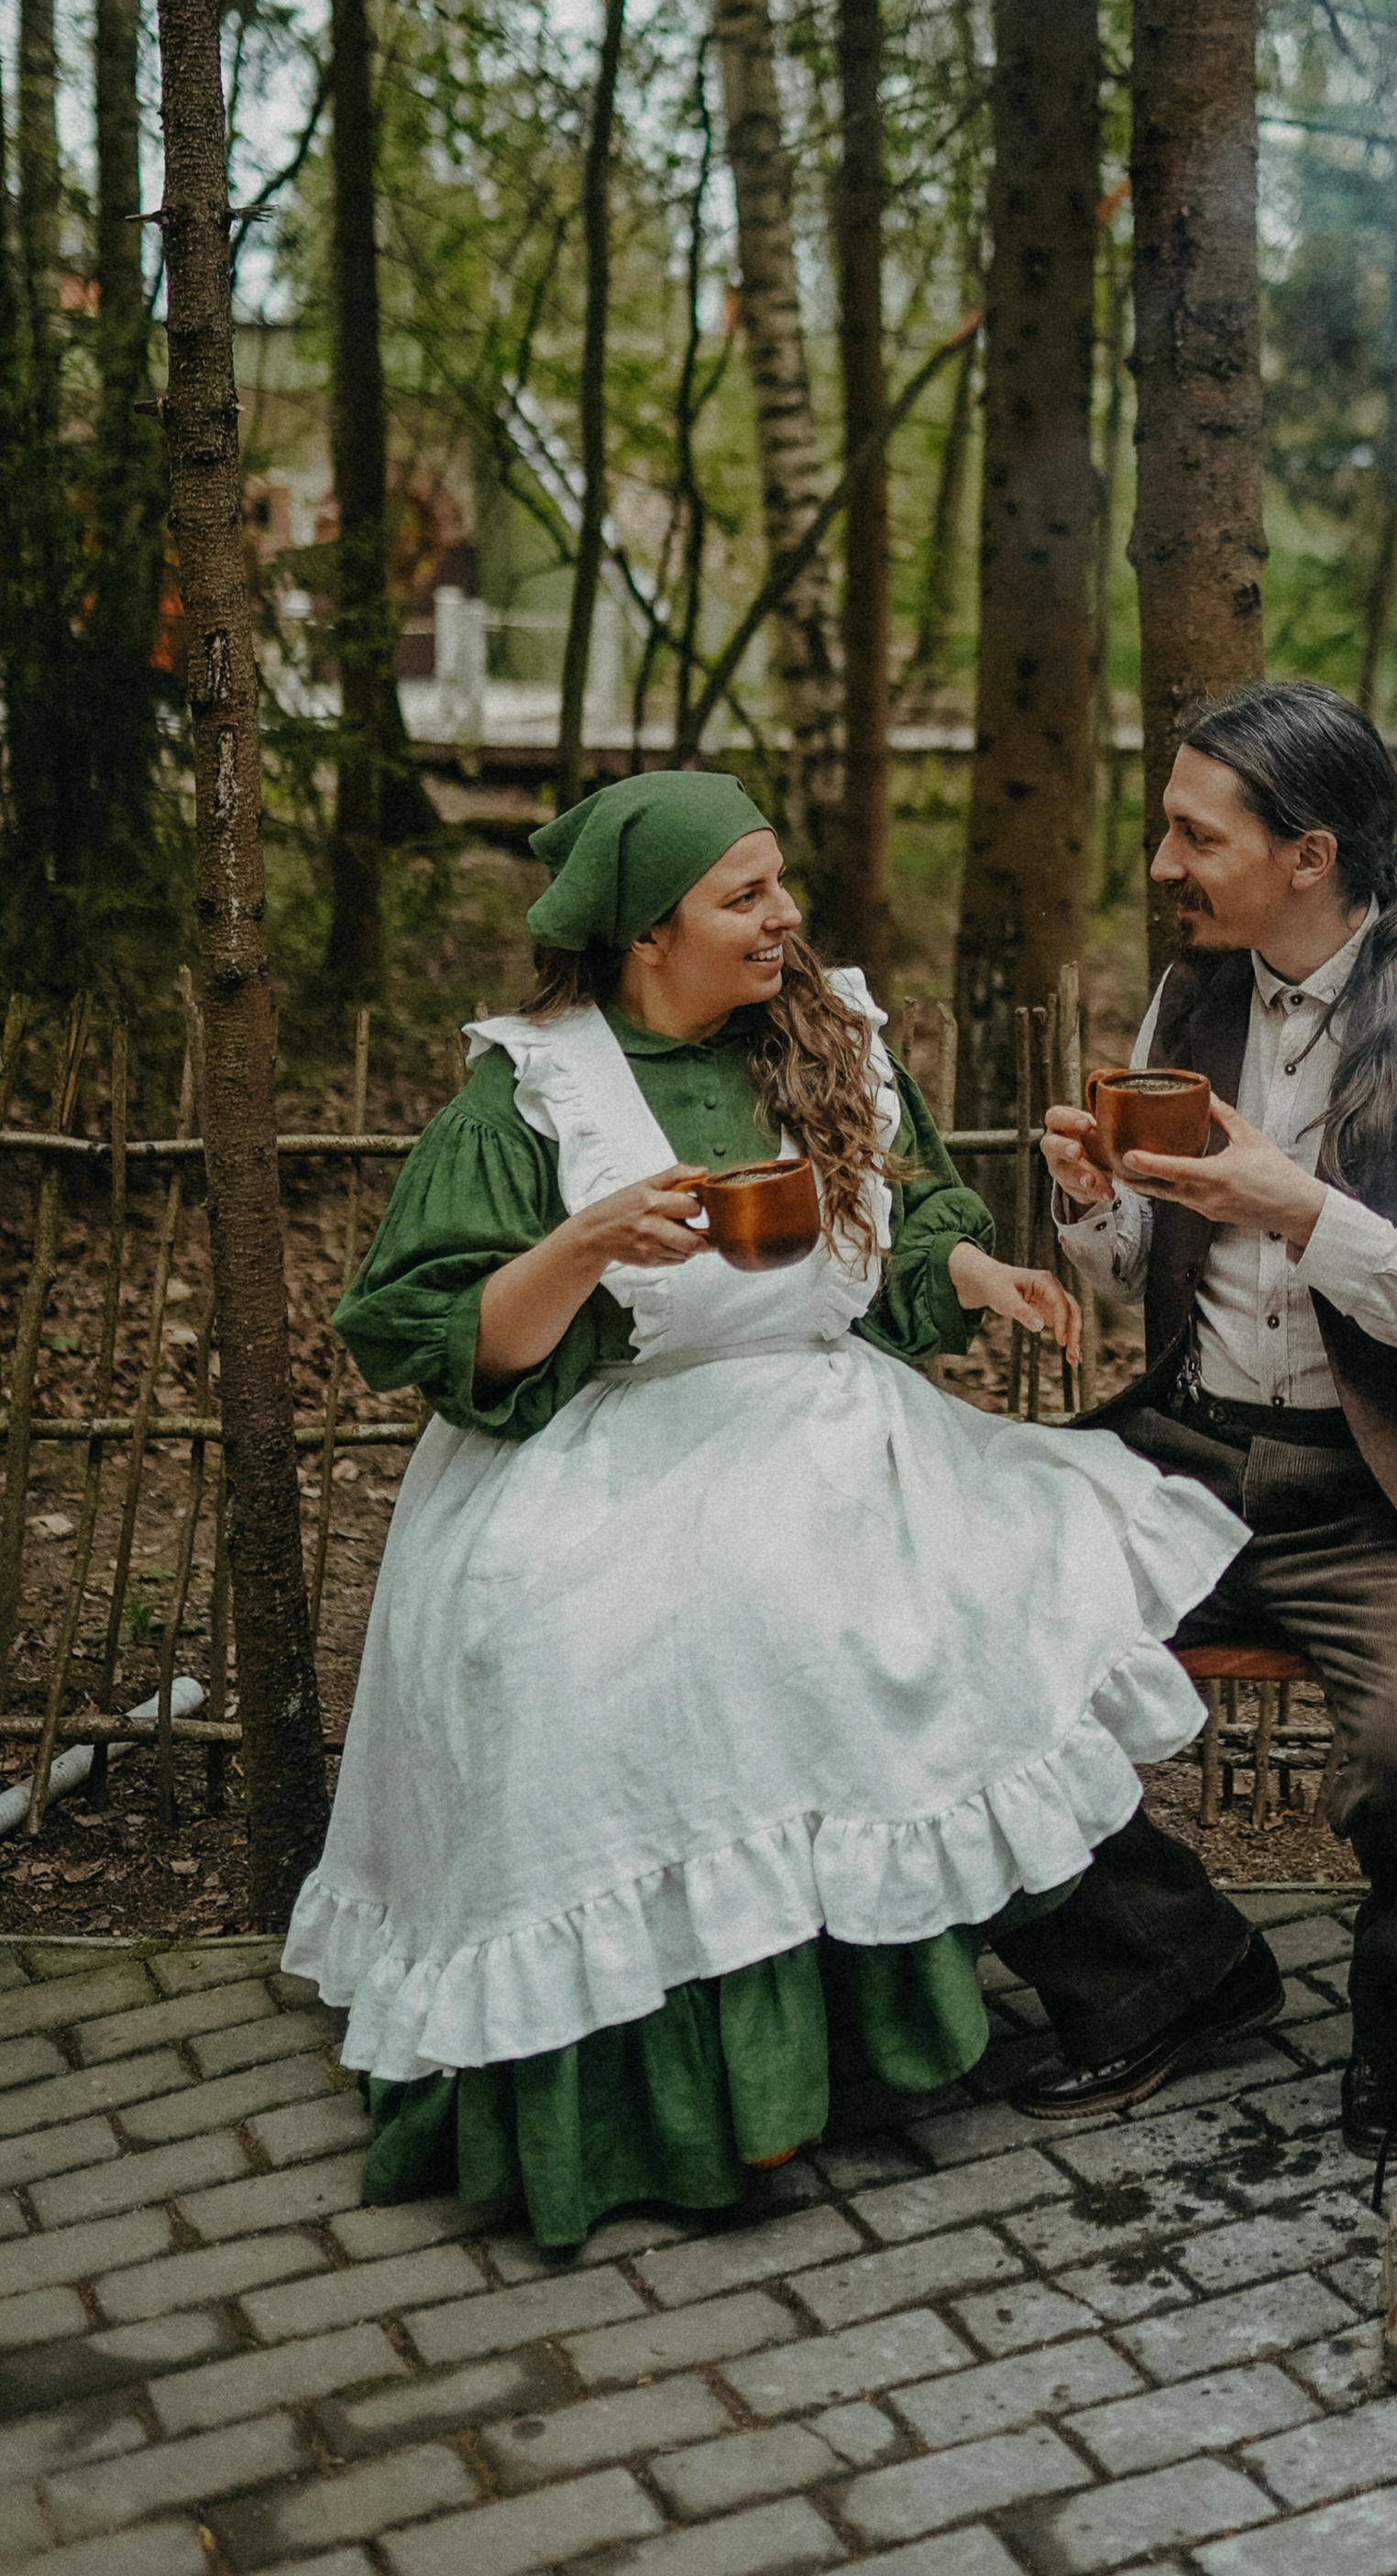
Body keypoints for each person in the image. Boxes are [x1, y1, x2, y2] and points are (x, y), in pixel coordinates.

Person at [284, 770, 1247, 2246]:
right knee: (590, 1656)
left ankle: (1077, 1987)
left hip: (817, 1417)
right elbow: (441, 1339)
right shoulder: (530, 1089)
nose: (785, 918)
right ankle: (687, 2103)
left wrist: (974, 1274)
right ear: (642, 934)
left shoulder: (828, 1044)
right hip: (595, 1448)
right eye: (746, 896)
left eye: (780, 884)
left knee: (910, 1610)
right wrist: (587, 1238)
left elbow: (903, 1234)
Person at [997, 679, 1397, 2164]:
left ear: (1308, 853)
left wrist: (1308, 1211)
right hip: (1183, 1452)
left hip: (1387, 1493)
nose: (1160, 865)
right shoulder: (1193, 996)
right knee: (930, 1632)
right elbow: (1140, 1270)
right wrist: (1093, 1204)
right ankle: (1173, 1972)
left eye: (1195, 834)